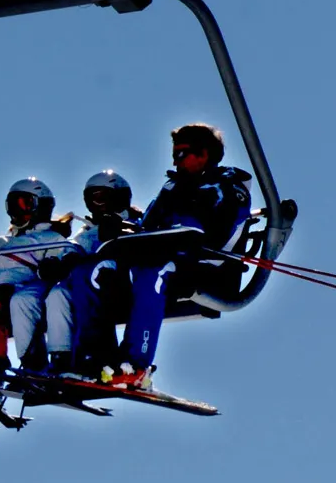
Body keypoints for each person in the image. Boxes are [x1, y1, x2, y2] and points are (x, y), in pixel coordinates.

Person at [105, 123, 252, 388]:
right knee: (96, 273)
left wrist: (180, 224)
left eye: (182, 153)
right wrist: (124, 229)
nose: (176, 160)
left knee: (154, 273)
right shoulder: (173, 187)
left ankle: (138, 365)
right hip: (165, 259)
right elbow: (147, 227)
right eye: (174, 154)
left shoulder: (227, 188)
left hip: (207, 267)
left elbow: (212, 234)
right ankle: (93, 359)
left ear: (205, 154)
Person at [0, 178, 72, 374]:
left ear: (40, 206)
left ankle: (35, 361)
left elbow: (56, 266)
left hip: (20, 289)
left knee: (21, 301)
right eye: (12, 205)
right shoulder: (1, 242)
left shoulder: (51, 238)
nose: (16, 211)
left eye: (23, 204)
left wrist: (50, 268)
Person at [42, 170, 143, 376]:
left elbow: (139, 245)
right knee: (57, 294)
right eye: (92, 199)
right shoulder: (88, 230)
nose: (97, 205)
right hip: (89, 285)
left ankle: (97, 355)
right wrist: (59, 263)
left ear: (119, 197)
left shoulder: (133, 222)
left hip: (121, 285)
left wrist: (119, 233)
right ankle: (61, 357)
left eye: (102, 197)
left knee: (89, 274)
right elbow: (73, 249)